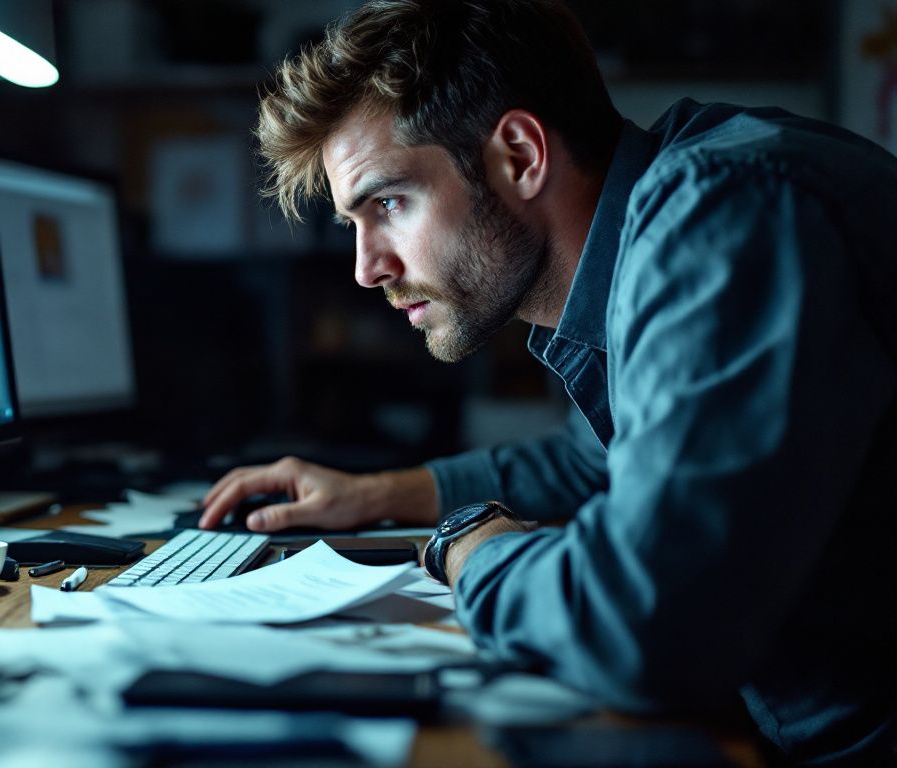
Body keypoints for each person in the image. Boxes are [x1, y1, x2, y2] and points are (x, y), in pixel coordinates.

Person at [197, 0, 897, 763]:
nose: (369, 268)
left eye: (390, 204)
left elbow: (647, 626)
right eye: (354, 224)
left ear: (522, 156)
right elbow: (584, 462)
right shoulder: (649, 237)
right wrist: (375, 496)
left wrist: (475, 552)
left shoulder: (724, 214)